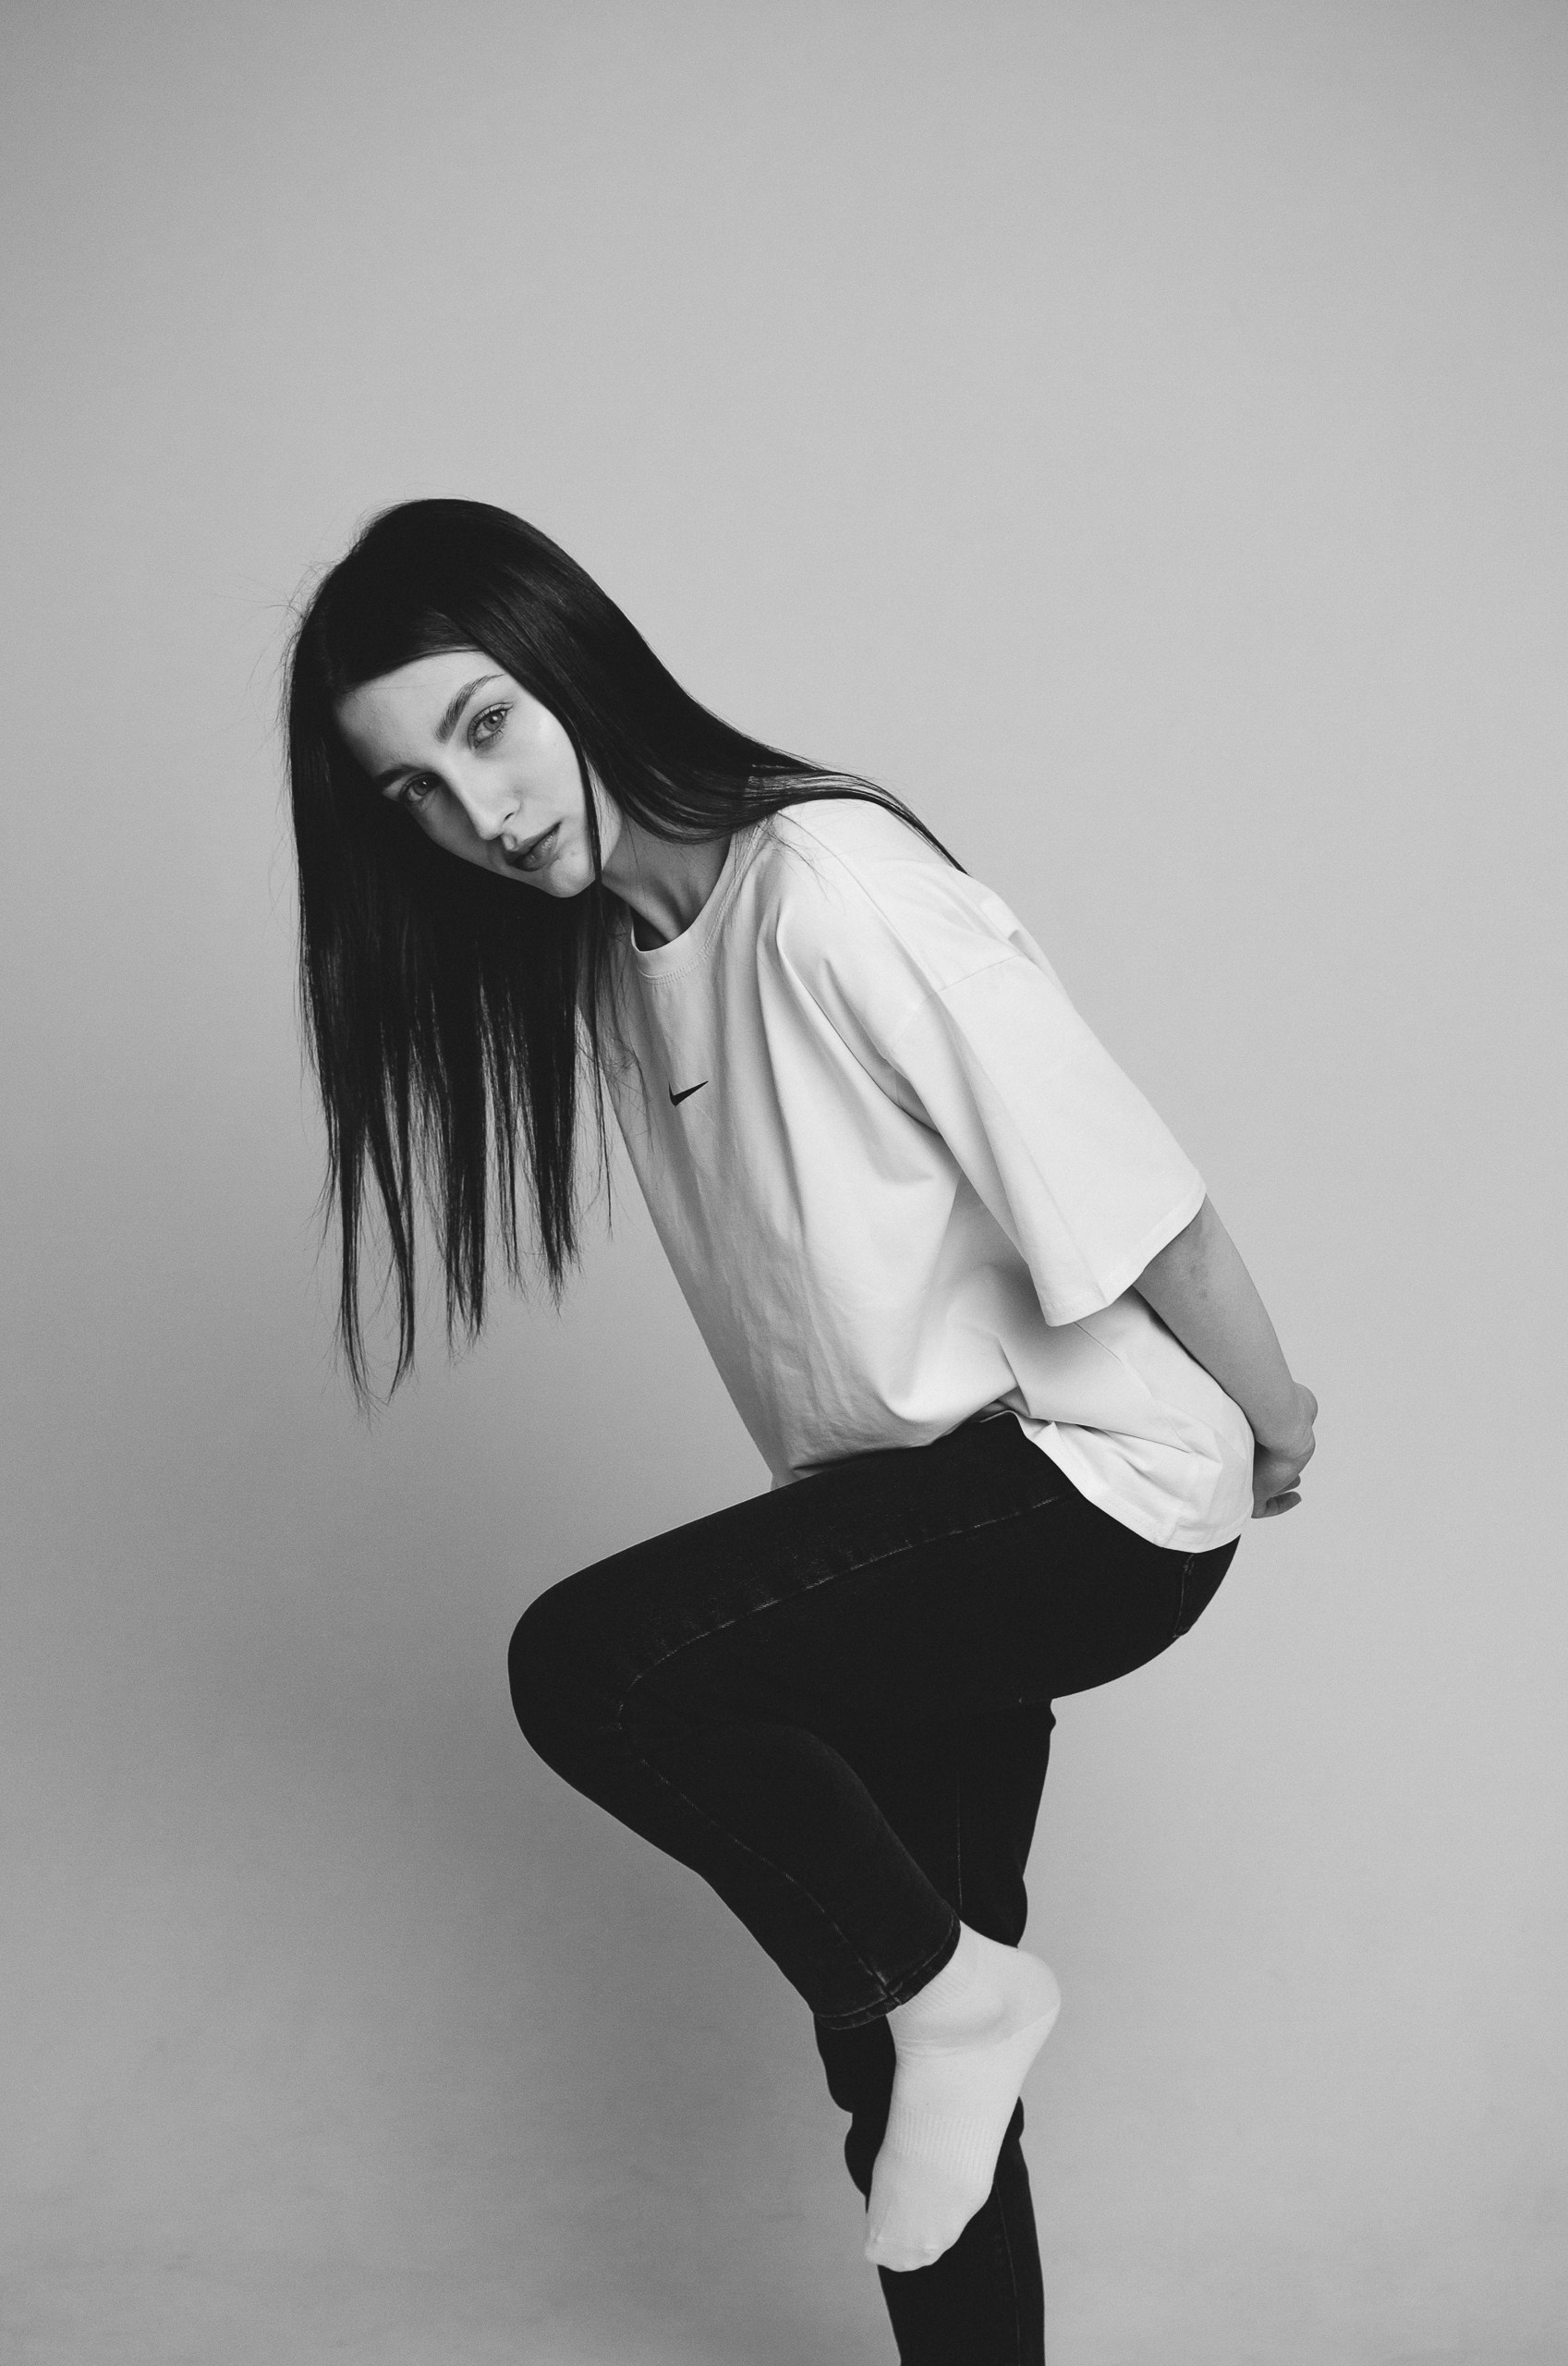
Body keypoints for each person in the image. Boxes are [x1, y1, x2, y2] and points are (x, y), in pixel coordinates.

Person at [286, 497, 1317, 2366]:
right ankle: (951, 2045)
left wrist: (1275, 1413)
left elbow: (1132, 1189)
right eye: (413, 790)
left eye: (487, 724)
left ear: (571, 661)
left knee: (595, 1667)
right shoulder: (621, 968)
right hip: (924, 1512)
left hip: (1088, 1482)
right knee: (898, 2053)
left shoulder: (825, 881)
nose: (477, 809)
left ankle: (956, 1993)